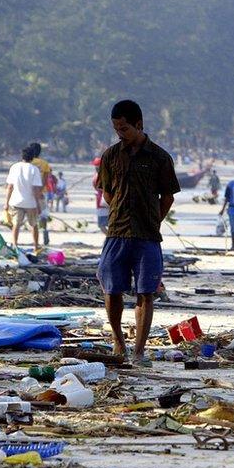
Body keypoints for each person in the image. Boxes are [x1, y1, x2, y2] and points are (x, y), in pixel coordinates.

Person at [97, 99, 180, 365]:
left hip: (147, 235)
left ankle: (139, 351)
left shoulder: (160, 157)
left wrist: (153, 219)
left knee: (146, 292)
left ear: (139, 124)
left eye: (124, 129)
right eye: (116, 129)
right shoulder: (111, 156)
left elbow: (167, 197)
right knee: (111, 289)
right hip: (117, 232)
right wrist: (120, 210)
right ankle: (119, 341)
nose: (120, 134)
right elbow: (107, 192)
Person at [4, 144, 44, 249]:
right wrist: (38, 205)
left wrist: (6, 203)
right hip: (30, 203)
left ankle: (15, 245)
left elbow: (9, 187)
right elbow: (36, 189)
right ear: (32, 157)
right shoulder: (34, 169)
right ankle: (36, 246)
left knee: (16, 224)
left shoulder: (14, 167)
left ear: (22, 156)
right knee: (34, 225)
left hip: (16, 201)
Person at [28, 143, 51, 244]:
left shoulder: (28, 163)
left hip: (29, 192)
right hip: (42, 192)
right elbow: (45, 180)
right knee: (43, 214)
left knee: (32, 216)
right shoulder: (44, 164)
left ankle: (34, 237)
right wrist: (40, 191)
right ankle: (44, 231)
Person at [92, 157, 109, 233]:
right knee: (108, 223)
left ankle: (110, 239)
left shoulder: (98, 176)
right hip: (106, 202)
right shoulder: (107, 174)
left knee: (101, 225)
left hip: (102, 202)